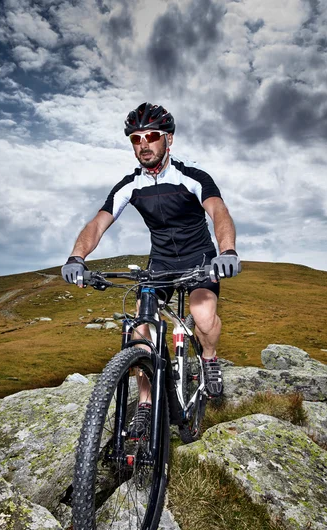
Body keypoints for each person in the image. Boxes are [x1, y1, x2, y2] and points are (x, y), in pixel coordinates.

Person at [62, 102, 240, 432]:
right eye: (136, 138)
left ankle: (210, 358)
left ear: (168, 140)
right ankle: (146, 402)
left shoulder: (192, 177)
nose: (143, 144)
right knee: (139, 331)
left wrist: (226, 251)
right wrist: (77, 257)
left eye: (152, 136)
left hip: (198, 258)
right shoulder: (130, 184)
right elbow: (98, 224)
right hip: (160, 263)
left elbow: (219, 212)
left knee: (202, 317)